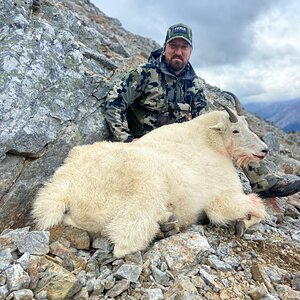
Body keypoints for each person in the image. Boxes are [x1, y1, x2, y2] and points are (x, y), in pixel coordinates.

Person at [104, 23, 300, 199]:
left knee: (229, 131)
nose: (178, 52)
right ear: (164, 48)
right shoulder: (143, 74)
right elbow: (114, 103)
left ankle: (263, 181)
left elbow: (205, 120)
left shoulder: (194, 84)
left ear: (190, 51)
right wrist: (127, 140)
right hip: (149, 147)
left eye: (184, 47)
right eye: (173, 46)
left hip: (182, 147)